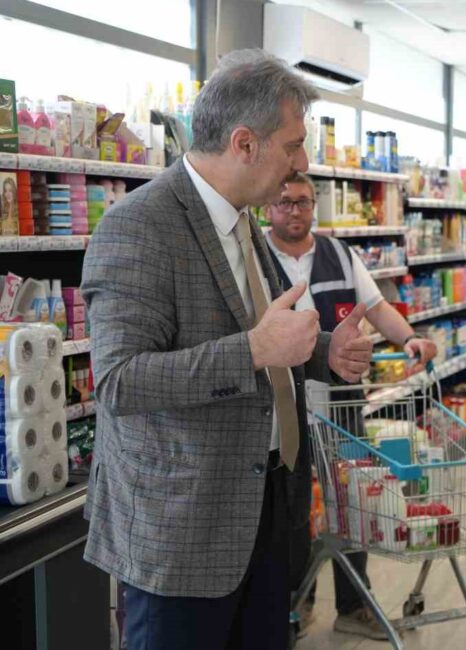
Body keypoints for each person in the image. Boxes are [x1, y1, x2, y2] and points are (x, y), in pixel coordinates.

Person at [81, 49, 377, 649]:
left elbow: (267, 333)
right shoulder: (139, 226)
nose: (303, 160)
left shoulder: (244, 223)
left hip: (264, 508)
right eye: (293, 144)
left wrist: (324, 350)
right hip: (181, 528)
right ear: (245, 143)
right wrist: (252, 350)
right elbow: (119, 382)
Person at [264, 173, 437, 640]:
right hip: (283, 405)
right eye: (284, 202)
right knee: (293, 513)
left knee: (355, 503)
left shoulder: (340, 254)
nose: (294, 210)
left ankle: (354, 605)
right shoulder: (255, 256)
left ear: (314, 206)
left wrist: (409, 337)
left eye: (302, 201)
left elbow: (377, 307)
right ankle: (295, 605)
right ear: (268, 208)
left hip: (341, 400)